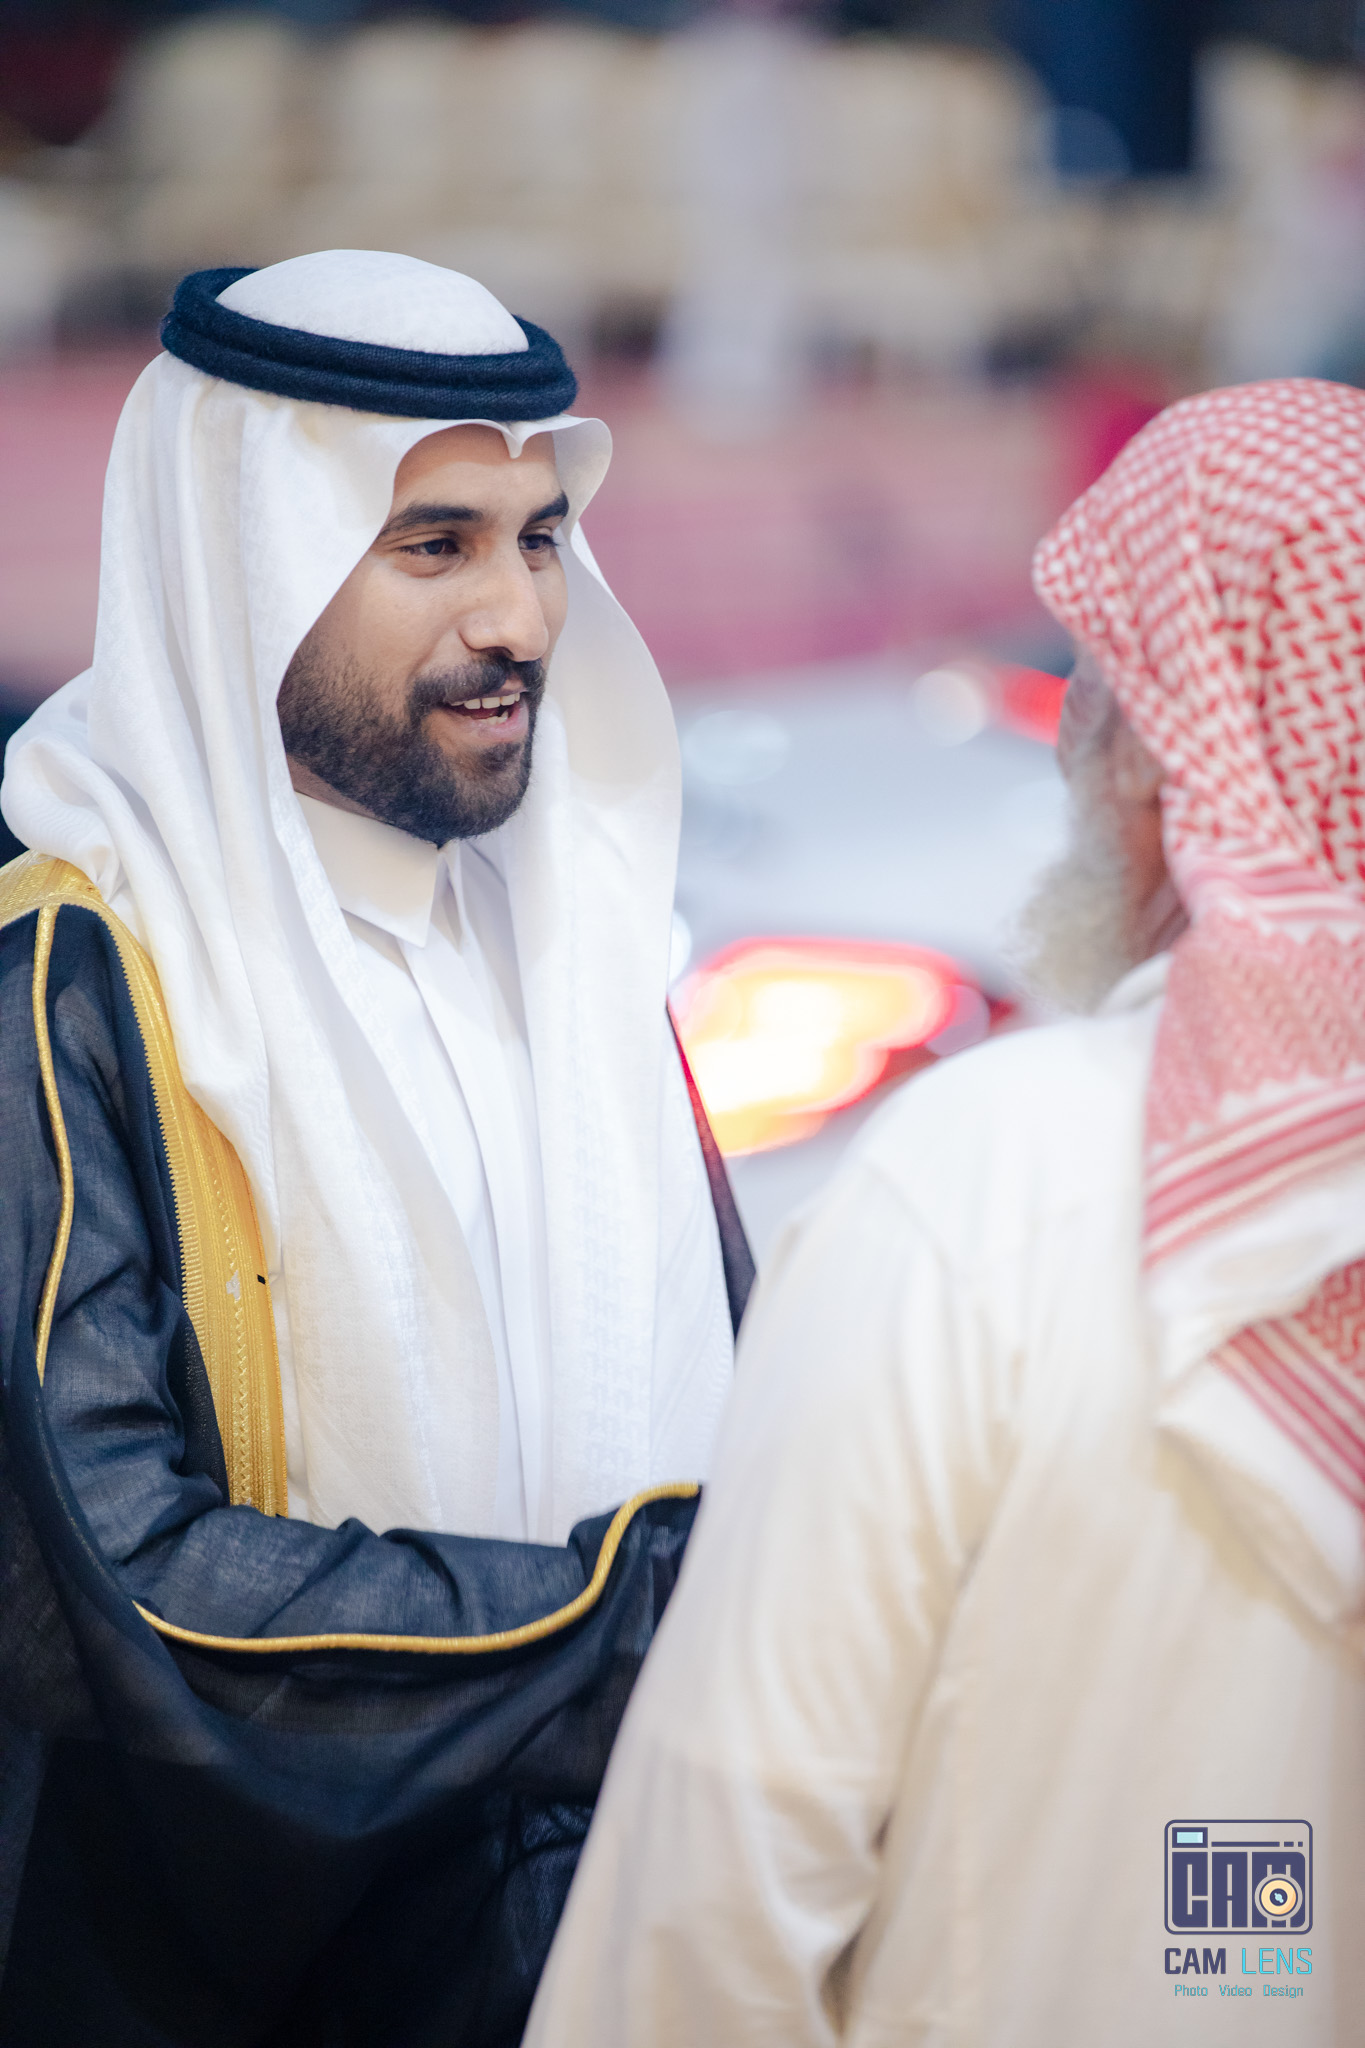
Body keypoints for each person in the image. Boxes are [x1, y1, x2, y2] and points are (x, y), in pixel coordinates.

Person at [523, 378, 1365, 2047]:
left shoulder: (989, 1179)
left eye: (1103, 679)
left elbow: (727, 1857)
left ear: (1170, 755)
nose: (1067, 732)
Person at [0, 250, 752, 2046]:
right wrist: (645, 1619)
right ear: (246, 568)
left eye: (540, 538)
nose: (520, 619)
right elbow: (122, 1596)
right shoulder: (77, 986)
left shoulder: (575, 944)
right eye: (434, 545)